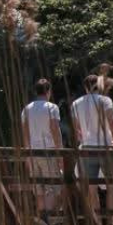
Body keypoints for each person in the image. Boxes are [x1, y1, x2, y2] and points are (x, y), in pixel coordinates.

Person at [71, 74, 113, 223]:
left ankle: (97, 222)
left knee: (91, 188)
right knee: (112, 185)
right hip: (106, 146)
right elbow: (112, 123)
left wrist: (84, 138)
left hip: (87, 147)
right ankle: (111, 222)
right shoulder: (105, 100)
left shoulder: (76, 104)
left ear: (85, 87)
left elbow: (77, 130)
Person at [21, 79, 65, 214]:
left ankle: (42, 222)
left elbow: (25, 135)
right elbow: (55, 131)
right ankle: (49, 221)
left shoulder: (26, 109)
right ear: (48, 91)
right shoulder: (52, 108)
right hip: (49, 152)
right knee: (53, 188)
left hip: (33, 152)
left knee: (38, 191)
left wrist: (27, 157)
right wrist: (60, 154)